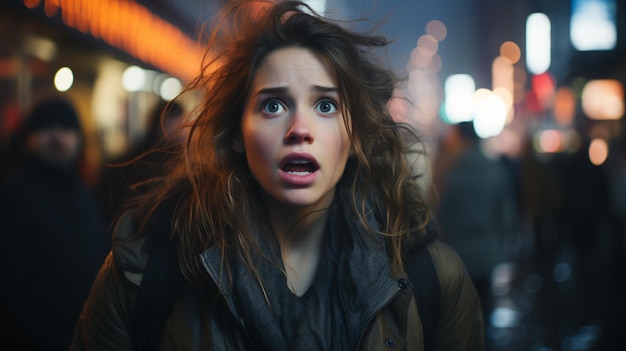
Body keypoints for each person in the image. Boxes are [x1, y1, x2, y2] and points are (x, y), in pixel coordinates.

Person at [71, 1, 484, 350]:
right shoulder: (144, 271)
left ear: (354, 133)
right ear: (236, 133)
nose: (299, 129)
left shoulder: (430, 277)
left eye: (326, 106)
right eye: (273, 106)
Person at [0, 95, 109, 350]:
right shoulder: (12, 197)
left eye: (66, 129)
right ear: (29, 137)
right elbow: (9, 291)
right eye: (48, 127)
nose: (58, 137)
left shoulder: (83, 192)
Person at [429, 121, 518, 325]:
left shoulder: (446, 172)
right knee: (484, 312)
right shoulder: (494, 170)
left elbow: (433, 214)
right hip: (487, 251)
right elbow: (506, 216)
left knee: (458, 319)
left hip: (454, 253)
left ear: (460, 139)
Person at [96, 100, 187, 223]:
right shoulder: (168, 161)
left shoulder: (134, 154)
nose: (184, 129)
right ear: (166, 121)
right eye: (181, 122)